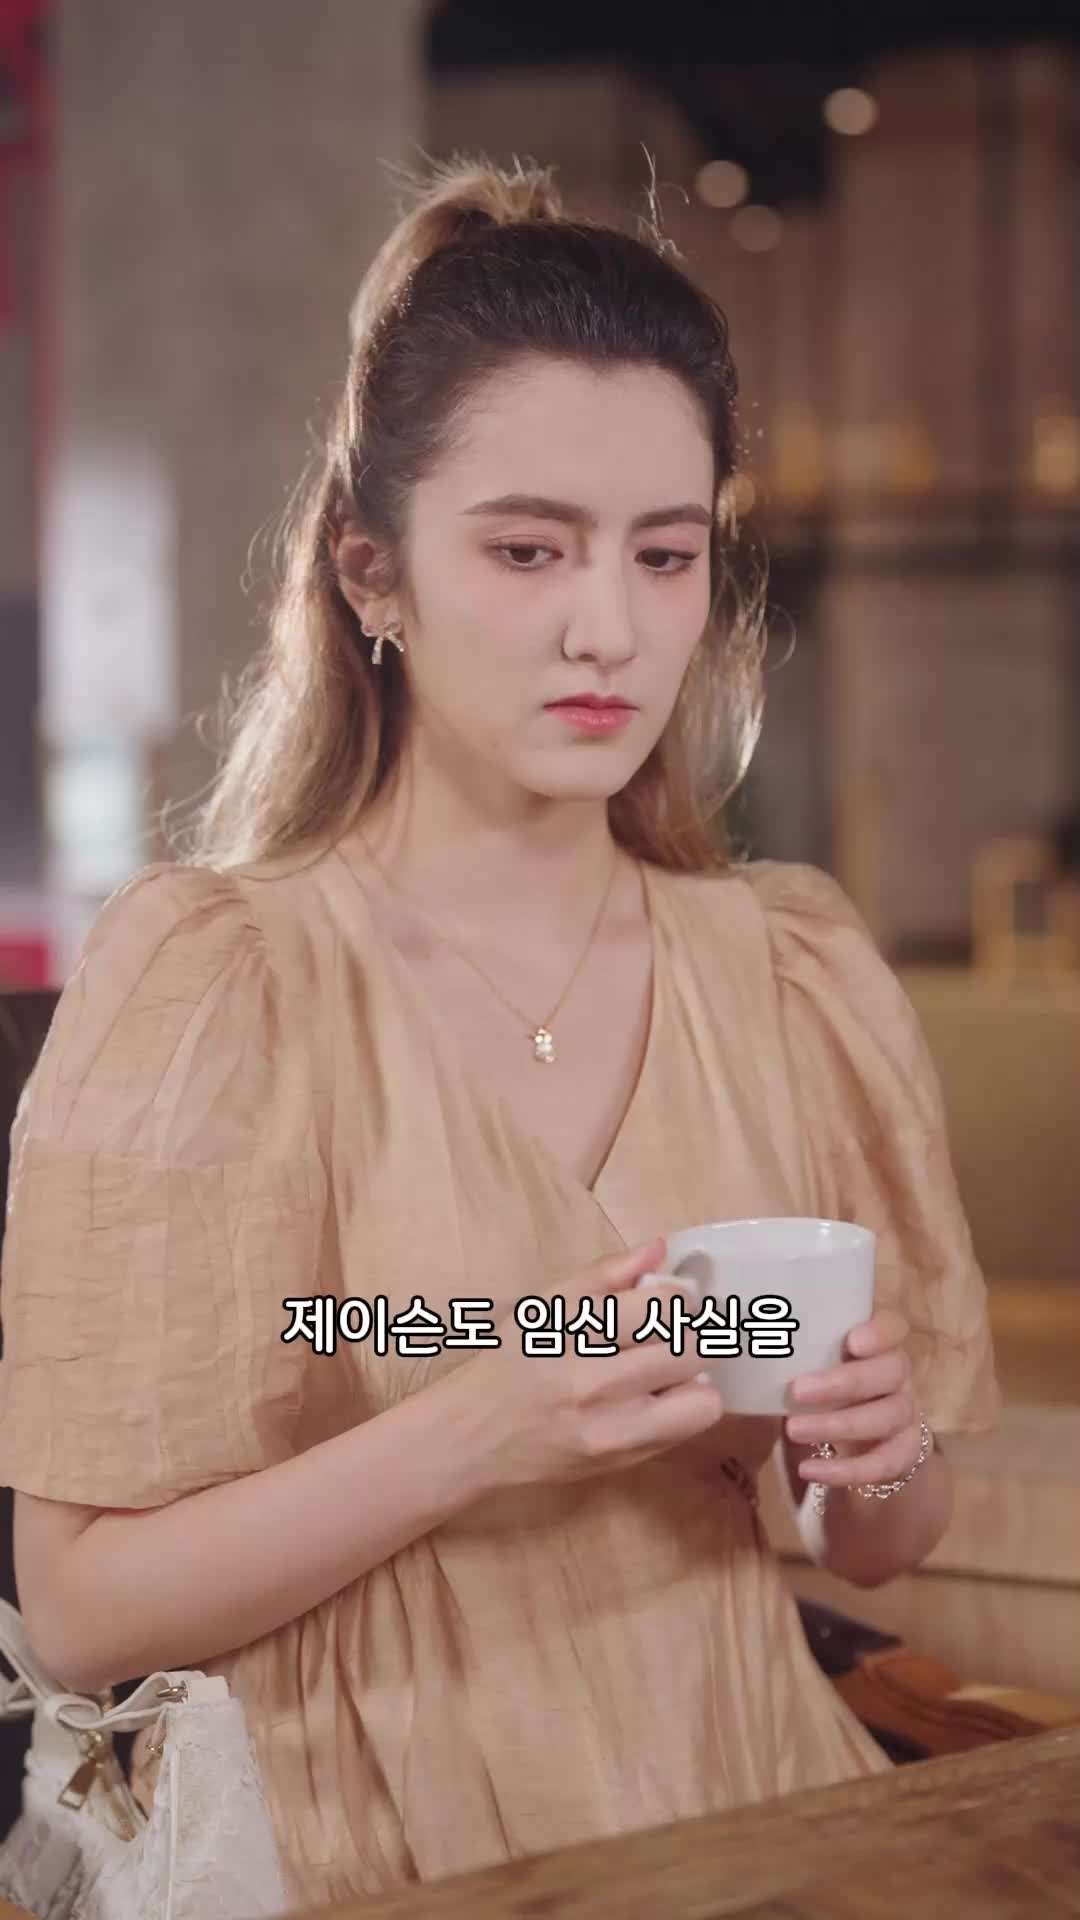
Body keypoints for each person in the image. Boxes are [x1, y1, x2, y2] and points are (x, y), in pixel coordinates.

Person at [0, 158, 999, 1908]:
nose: (608, 627)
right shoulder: (221, 978)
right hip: (376, 1837)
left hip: (758, 1797)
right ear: (371, 574)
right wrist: (481, 1425)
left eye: (664, 555)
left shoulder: (789, 967)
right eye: (528, 550)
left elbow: (881, 1551)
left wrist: (875, 1443)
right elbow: (81, 1613)